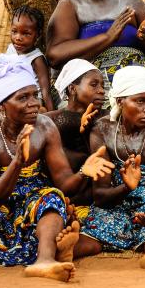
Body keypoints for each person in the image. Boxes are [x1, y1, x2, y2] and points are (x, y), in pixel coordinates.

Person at [0, 54, 114, 282]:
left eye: (34, 95)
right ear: (1, 104)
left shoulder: (45, 127)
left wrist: (84, 171)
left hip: (27, 204)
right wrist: (17, 164)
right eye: (23, 98)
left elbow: (64, 183)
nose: (34, 103)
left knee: (52, 196)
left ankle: (44, 261)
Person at [59, 66, 145, 271]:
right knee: (93, 237)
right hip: (113, 204)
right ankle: (69, 249)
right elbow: (100, 195)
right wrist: (126, 187)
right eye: (140, 100)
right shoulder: (102, 129)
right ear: (119, 101)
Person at [46, 58, 107, 205]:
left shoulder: (106, 116)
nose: (101, 90)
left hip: (100, 195)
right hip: (66, 193)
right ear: (72, 88)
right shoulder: (52, 119)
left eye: (102, 85)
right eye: (94, 85)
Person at [6, 5, 54, 111]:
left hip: (31, 99)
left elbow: (45, 91)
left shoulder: (37, 59)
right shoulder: (10, 49)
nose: (18, 38)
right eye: (14, 31)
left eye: (26, 34)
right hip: (13, 93)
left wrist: (52, 117)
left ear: (38, 35)